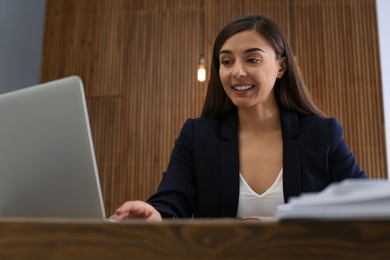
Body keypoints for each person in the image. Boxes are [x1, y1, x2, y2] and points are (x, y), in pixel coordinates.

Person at [110, 14, 368, 221]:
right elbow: (170, 204)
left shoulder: (321, 134)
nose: (237, 72)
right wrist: (154, 215)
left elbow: (367, 207)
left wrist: (280, 230)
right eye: (227, 61)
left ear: (281, 66)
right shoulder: (198, 136)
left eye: (252, 59)